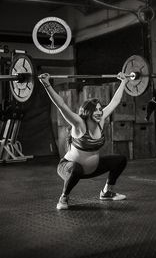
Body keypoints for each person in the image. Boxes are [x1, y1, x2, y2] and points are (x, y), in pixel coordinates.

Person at [39, 72, 129, 210]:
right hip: (69, 168)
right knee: (76, 168)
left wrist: (124, 81)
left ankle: (106, 192)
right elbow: (61, 104)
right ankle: (64, 197)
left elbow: (115, 101)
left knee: (120, 159)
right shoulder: (79, 123)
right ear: (87, 112)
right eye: (96, 110)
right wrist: (46, 84)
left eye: (100, 109)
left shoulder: (101, 119)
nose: (99, 112)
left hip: (91, 169)